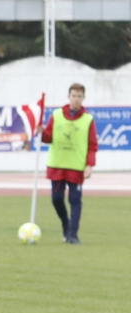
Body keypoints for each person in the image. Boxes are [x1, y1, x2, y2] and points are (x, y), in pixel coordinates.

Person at [43, 83, 97, 244]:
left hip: (76, 167)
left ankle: (73, 235)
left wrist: (89, 165)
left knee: (75, 200)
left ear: (83, 98)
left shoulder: (88, 119)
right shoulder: (56, 115)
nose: (76, 99)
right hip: (57, 165)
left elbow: (92, 144)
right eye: (74, 96)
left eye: (79, 96)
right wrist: (41, 132)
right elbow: (48, 137)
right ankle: (66, 224)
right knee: (57, 199)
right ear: (69, 97)